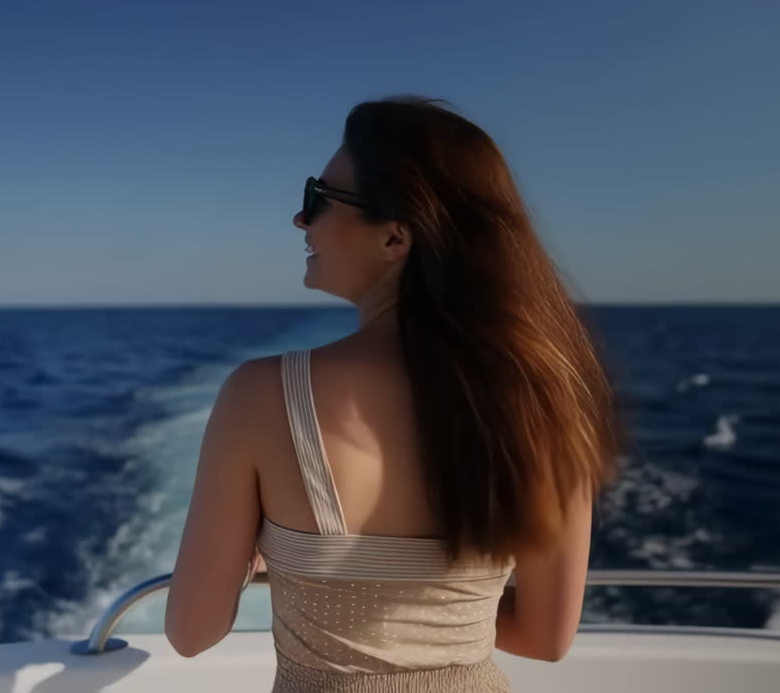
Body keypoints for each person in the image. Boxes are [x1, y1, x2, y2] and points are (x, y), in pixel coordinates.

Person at [165, 96, 620, 692]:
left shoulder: (259, 395)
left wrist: (259, 552)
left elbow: (191, 632)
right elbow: (546, 639)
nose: (301, 221)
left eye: (318, 199)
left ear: (396, 237)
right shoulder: (550, 404)